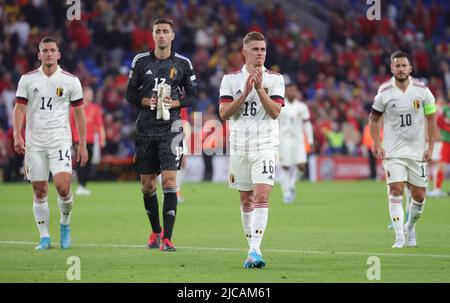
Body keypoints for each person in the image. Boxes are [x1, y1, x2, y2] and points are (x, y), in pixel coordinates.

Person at [125, 18, 197, 252]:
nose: (162, 35)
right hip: (145, 128)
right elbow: (129, 94)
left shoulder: (183, 63)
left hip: (172, 128)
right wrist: (148, 101)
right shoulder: (140, 61)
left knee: (169, 180)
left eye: (166, 31)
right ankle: (155, 232)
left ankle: (168, 238)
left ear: (173, 35)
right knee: (147, 185)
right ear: (153, 35)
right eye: (158, 31)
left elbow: (194, 96)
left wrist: (175, 102)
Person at [13, 36, 88, 250]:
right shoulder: (27, 80)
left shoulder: (70, 80)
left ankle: (65, 225)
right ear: (39, 55)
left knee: (63, 187)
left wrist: (82, 143)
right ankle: (44, 237)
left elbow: (79, 114)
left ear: (58, 54)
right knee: (39, 190)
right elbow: (19, 109)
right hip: (35, 143)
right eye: (44, 50)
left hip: (59, 141)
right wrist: (17, 135)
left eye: (52, 50)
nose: (48, 53)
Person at [219, 32, 285, 268]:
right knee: (246, 201)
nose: (260, 53)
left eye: (263, 49)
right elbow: (224, 114)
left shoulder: (276, 79)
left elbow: (275, 112)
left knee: (261, 197)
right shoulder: (230, 80)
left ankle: (255, 250)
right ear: (244, 52)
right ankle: (252, 250)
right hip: (238, 148)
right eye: (255, 49)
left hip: (265, 146)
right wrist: (245, 92)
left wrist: (259, 89)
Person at [369, 51, 437, 248]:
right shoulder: (384, 92)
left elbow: (431, 120)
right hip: (393, 151)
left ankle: (410, 227)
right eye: (397, 66)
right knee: (396, 189)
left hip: (417, 151)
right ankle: (399, 238)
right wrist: (377, 143)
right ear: (392, 68)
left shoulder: (423, 92)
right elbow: (373, 120)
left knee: (419, 196)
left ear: (410, 68)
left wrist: (430, 147)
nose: (400, 69)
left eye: (403, 66)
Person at [278, 83, 313, 203]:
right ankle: (286, 193)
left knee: (302, 166)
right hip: (284, 139)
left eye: (294, 90)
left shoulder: (302, 107)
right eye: (290, 90)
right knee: (285, 166)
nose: (292, 92)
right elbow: (274, 123)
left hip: (298, 140)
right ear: (286, 92)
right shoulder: (280, 106)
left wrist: (310, 140)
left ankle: (292, 185)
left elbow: (307, 124)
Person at [70, 85, 106, 196]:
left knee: (89, 163)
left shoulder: (95, 108)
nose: (90, 96)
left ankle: (83, 186)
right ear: (83, 94)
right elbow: (70, 125)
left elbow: (100, 125)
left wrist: (102, 138)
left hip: (90, 140)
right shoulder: (75, 108)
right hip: (78, 139)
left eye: (91, 94)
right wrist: (69, 139)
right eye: (89, 93)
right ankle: (80, 185)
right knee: (81, 161)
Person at [428, 97, 450, 197]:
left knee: (441, 164)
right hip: (447, 141)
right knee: (442, 164)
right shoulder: (445, 109)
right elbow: (439, 122)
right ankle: (437, 188)